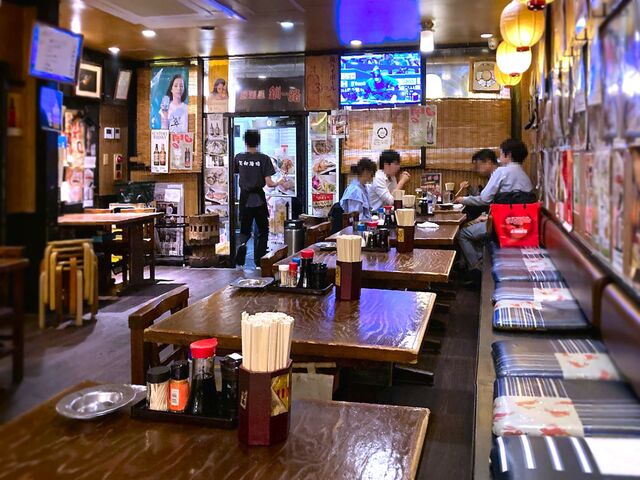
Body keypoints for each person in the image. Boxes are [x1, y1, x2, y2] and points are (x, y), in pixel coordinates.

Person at [454, 139, 534, 278]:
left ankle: (477, 270)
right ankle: (481, 263)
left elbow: (484, 198)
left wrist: (464, 199)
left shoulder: (502, 171)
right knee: (477, 230)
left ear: (508, 155)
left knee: (463, 234)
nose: (499, 158)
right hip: (523, 226)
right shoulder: (524, 175)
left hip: (502, 226)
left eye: (501, 154)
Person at [234, 130, 283, 267]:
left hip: (244, 199)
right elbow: (269, 183)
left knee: (244, 229)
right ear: (258, 142)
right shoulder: (264, 159)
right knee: (262, 230)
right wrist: (279, 182)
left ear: (245, 142)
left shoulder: (238, 158)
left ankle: (241, 253)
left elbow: (234, 174)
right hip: (258, 200)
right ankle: (260, 261)